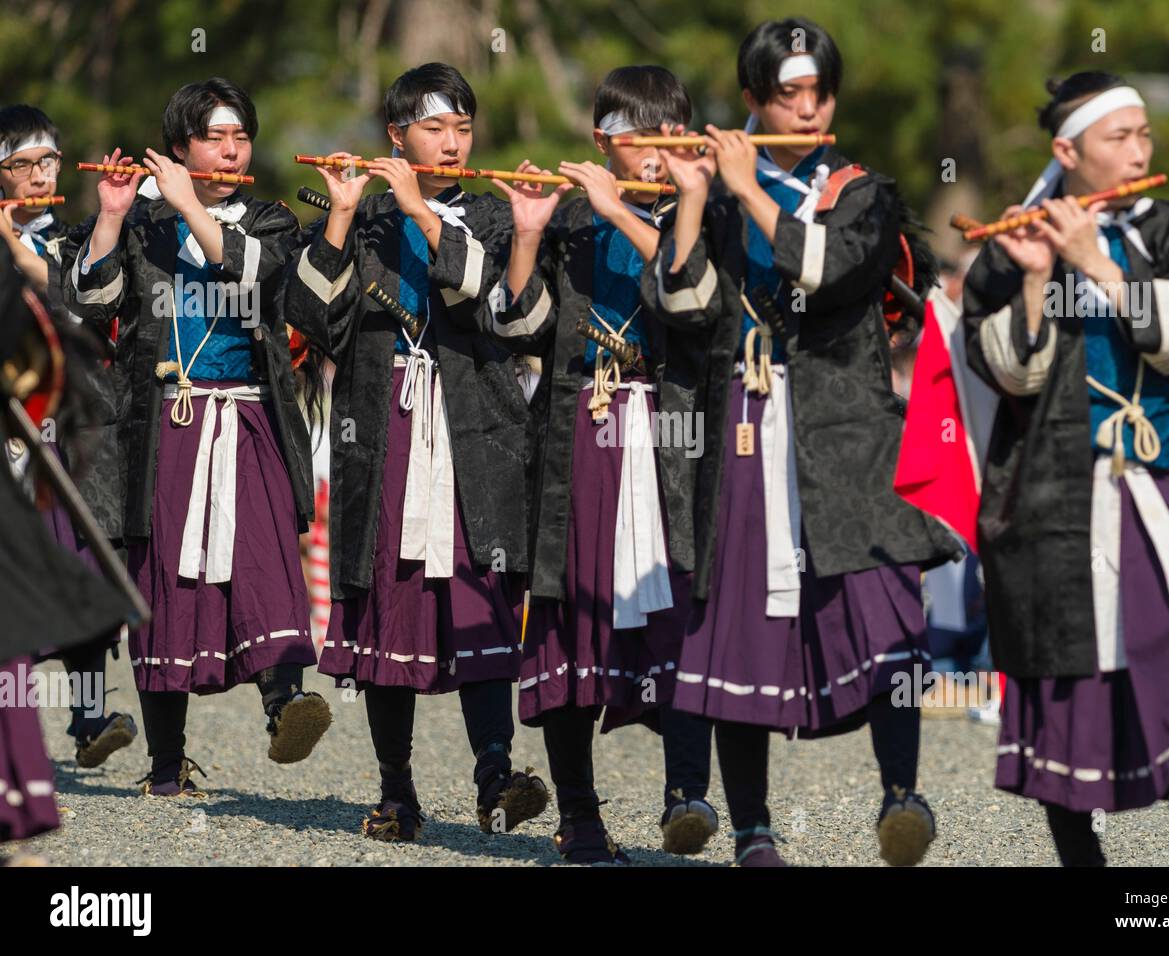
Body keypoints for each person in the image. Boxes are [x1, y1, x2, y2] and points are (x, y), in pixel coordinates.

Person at [645, 18, 961, 866]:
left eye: (819, 92)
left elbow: (834, 276)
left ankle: (902, 794)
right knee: (735, 626)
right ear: (753, 101)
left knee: (889, 609)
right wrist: (690, 197)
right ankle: (751, 826)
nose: (810, 107)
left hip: (845, 435)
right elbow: (682, 309)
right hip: (741, 428)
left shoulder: (860, 190)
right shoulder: (715, 191)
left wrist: (749, 191)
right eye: (789, 94)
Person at [964, 71, 1169, 866]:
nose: (1140, 151)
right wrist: (1035, 275)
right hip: (1052, 491)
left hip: (1164, 472)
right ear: (1067, 151)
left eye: (1144, 134)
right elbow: (1013, 374)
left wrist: (1096, 263)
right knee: (1066, 668)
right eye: (1119, 138)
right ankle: (1080, 858)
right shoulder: (1008, 248)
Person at [283, 62, 547, 842]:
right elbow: (310, 317)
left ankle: (496, 776)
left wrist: (417, 209)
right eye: (434, 127)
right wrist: (339, 215)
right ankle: (396, 791)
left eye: (463, 126)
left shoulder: (497, 216)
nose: (453, 141)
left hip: (475, 431)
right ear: (396, 135)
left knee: (478, 597)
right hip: (384, 430)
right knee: (387, 600)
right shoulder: (360, 221)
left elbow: (487, 300)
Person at [65, 78, 331, 798]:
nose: (231, 147)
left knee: (266, 556)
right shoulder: (144, 222)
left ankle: (286, 704)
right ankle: (165, 764)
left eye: (239, 134)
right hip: (164, 424)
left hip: (250, 417)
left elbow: (258, 277)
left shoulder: (271, 219)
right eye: (214, 136)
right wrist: (114, 218)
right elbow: (90, 304)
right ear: (179, 146)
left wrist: (185, 201)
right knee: (168, 583)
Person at [485, 65, 717, 863]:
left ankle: (687, 795)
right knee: (567, 621)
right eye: (631, 137)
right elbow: (520, 328)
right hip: (579, 432)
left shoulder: (704, 213)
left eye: (664, 135)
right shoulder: (570, 226)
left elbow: (695, 303)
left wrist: (621, 207)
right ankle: (580, 818)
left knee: (681, 616)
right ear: (600, 142)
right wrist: (524, 230)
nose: (650, 153)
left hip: (671, 441)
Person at [1, 103, 136, 769]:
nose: (34, 175)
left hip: (70, 434)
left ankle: (90, 717)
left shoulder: (77, 239)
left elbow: (88, 310)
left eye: (45, 161)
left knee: (83, 572)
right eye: (18, 164)